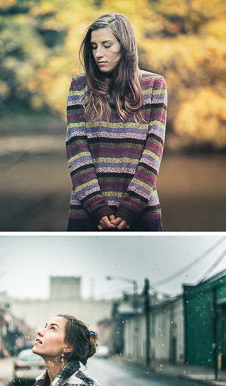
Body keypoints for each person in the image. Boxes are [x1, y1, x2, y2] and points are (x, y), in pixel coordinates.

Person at [66, 13, 167, 231]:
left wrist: (131, 207)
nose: (98, 54)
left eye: (106, 45)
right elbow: (77, 151)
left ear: (125, 45)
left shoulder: (154, 85)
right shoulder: (79, 85)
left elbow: (153, 151)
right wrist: (96, 206)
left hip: (142, 210)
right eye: (93, 47)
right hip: (86, 211)